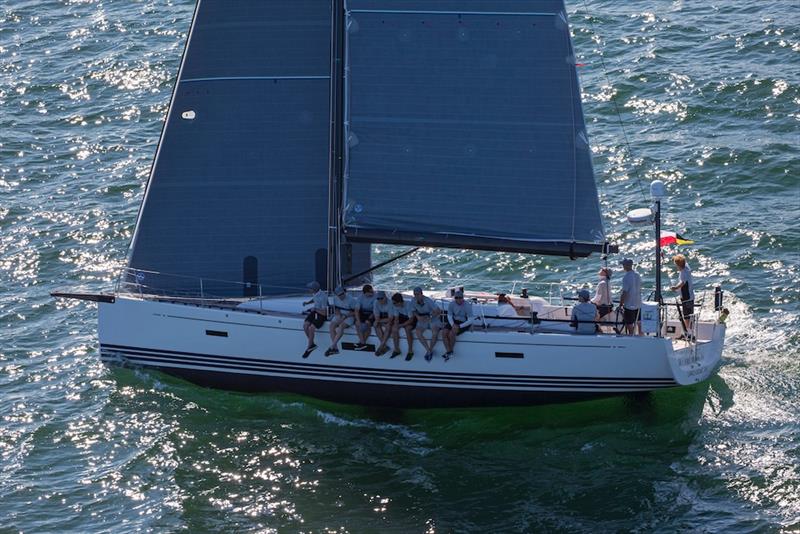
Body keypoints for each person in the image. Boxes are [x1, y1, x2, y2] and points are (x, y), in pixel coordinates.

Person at [442, 290, 476, 360]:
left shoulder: (467, 305)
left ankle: (450, 351)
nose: (458, 299)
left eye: (460, 297)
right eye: (456, 298)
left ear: (463, 298)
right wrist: (453, 325)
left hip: (463, 322)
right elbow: (449, 315)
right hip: (454, 321)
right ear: (454, 298)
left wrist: (459, 326)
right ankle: (449, 351)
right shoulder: (452, 304)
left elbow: (471, 319)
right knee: (443, 333)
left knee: (451, 334)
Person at [410, 287, 441, 361]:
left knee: (435, 332)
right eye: (415, 294)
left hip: (432, 317)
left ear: (421, 294)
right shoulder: (413, 300)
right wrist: (417, 317)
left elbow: (438, 310)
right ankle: (428, 350)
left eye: (418, 294)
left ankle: (430, 349)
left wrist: (430, 317)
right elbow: (413, 311)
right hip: (422, 318)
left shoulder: (428, 300)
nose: (416, 296)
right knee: (418, 332)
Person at [325, 286, 357, 357]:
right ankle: (335, 348)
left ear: (344, 292)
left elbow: (356, 312)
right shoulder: (335, 299)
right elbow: (337, 309)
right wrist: (338, 315)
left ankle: (332, 346)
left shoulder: (351, 300)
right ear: (336, 295)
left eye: (342, 293)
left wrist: (345, 316)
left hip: (349, 316)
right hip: (340, 314)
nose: (341, 295)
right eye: (339, 295)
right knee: (331, 326)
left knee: (341, 326)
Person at [670, 254, 695, 335]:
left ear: (679, 265)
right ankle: (690, 331)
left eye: (676, 265)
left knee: (686, 315)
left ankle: (687, 332)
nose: (676, 266)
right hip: (690, 296)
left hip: (686, 297)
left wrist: (675, 288)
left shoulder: (683, 272)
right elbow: (684, 261)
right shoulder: (687, 267)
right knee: (689, 314)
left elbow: (682, 282)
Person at [301, 281, 328, 358]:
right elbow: (314, 299)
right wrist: (307, 303)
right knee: (305, 325)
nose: (309, 289)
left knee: (311, 328)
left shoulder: (323, 297)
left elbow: (325, 313)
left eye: (310, 288)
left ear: (314, 289)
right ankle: (312, 344)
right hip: (315, 311)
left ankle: (309, 347)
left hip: (322, 314)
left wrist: (315, 309)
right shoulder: (315, 293)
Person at [618, 258, 642, 335]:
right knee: (639, 322)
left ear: (626, 266)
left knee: (629, 324)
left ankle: (631, 336)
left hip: (629, 305)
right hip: (638, 303)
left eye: (623, 265)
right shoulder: (637, 274)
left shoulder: (626, 277)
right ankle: (641, 336)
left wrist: (621, 304)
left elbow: (625, 292)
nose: (623, 266)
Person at [390, 292, 414, 360]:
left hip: (411, 318)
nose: (393, 304)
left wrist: (401, 325)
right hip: (403, 317)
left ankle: (410, 351)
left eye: (394, 303)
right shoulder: (396, 306)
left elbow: (411, 319)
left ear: (399, 302)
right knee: (394, 328)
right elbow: (397, 318)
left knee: (407, 329)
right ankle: (396, 349)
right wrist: (396, 325)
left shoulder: (408, 305)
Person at [354, 284, 376, 349]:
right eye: (370, 292)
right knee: (357, 324)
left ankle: (362, 343)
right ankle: (362, 342)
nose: (372, 293)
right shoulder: (360, 298)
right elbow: (356, 310)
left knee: (367, 323)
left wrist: (370, 318)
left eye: (372, 291)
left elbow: (376, 310)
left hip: (372, 313)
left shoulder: (375, 297)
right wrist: (358, 321)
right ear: (365, 293)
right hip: (363, 313)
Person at [372, 291, 393, 356]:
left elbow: (390, 318)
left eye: (381, 298)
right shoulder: (376, 302)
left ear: (385, 297)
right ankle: (384, 346)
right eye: (378, 299)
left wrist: (379, 321)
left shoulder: (390, 303)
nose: (380, 300)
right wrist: (378, 321)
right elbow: (376, 317)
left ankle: (381, 346)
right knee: (375, 325)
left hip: (389, 318)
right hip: (381, 318)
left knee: (388, 326)